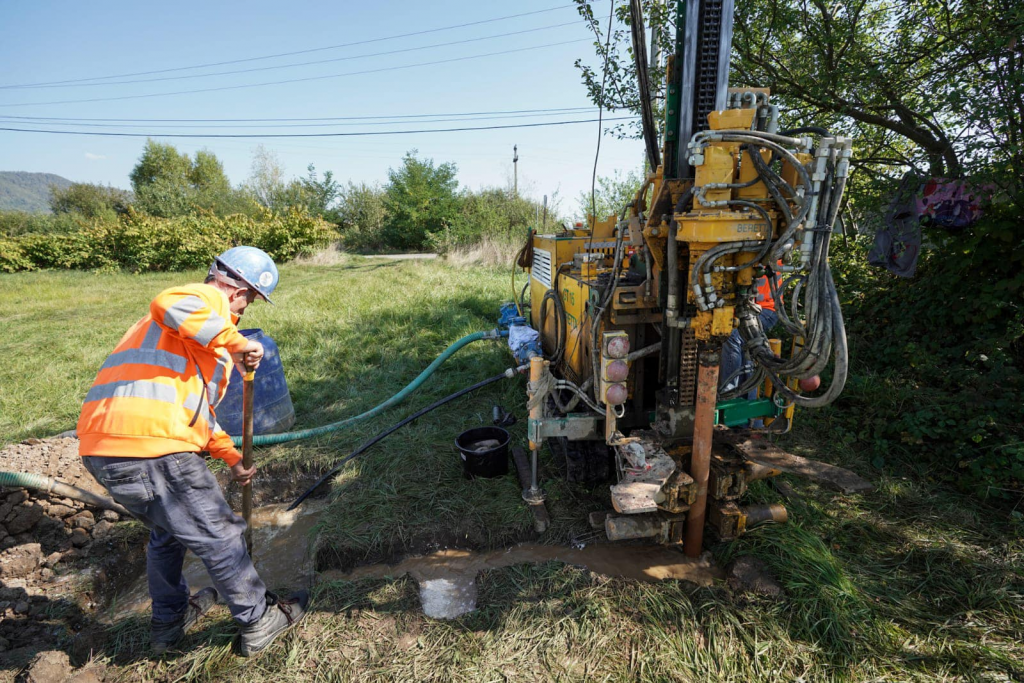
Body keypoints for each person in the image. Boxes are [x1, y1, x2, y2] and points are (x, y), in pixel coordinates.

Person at [77, 246, 308, 657]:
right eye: (250, 298)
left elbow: (195, 416)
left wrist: (230, 457)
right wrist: (233, 339)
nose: (246, 307)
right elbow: (168, 300)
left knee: (167, 535)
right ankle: (259, 621)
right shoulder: (205, 302)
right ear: (234, 286)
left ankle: (169, 622)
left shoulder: (191, 342)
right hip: (152, 452)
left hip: (106, 451)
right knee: (221, 535)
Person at [720, 267, 780, 400]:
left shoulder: (759, 254)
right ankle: (746, 401)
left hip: (766, 309)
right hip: (750, 309)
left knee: (732, 336)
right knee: (745, 349)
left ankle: (727, 393)